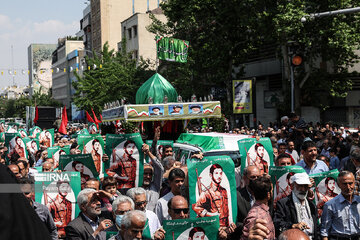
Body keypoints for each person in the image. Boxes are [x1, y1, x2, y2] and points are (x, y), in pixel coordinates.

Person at [274, 172, 318, 239]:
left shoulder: (311, 205)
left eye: (305, 186)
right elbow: (277, 223)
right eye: (300, 186)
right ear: (292, 186)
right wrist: (293, 226)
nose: (303, 189)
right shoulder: (284, 204)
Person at [321, 171, 360, 239]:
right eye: (344, 184)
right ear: (338, 185)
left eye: (350, 183)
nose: (348, 187)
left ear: (354, 183)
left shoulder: (358, 202)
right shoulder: (330, 205)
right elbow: (324, 231)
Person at [235, 166, 260, 234]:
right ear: (244, 178)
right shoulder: (237, 195)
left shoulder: (265, 194)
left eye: (258, 177)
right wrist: (249, 227)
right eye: (253, 177)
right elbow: (234, 223)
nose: (256, 180)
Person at [142, 144, 164, 211]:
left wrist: (148, 152)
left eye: (150, 174)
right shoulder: (135, 188)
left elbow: (160, 169)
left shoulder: (155, 187)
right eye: (145, 174)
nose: (148, 176)